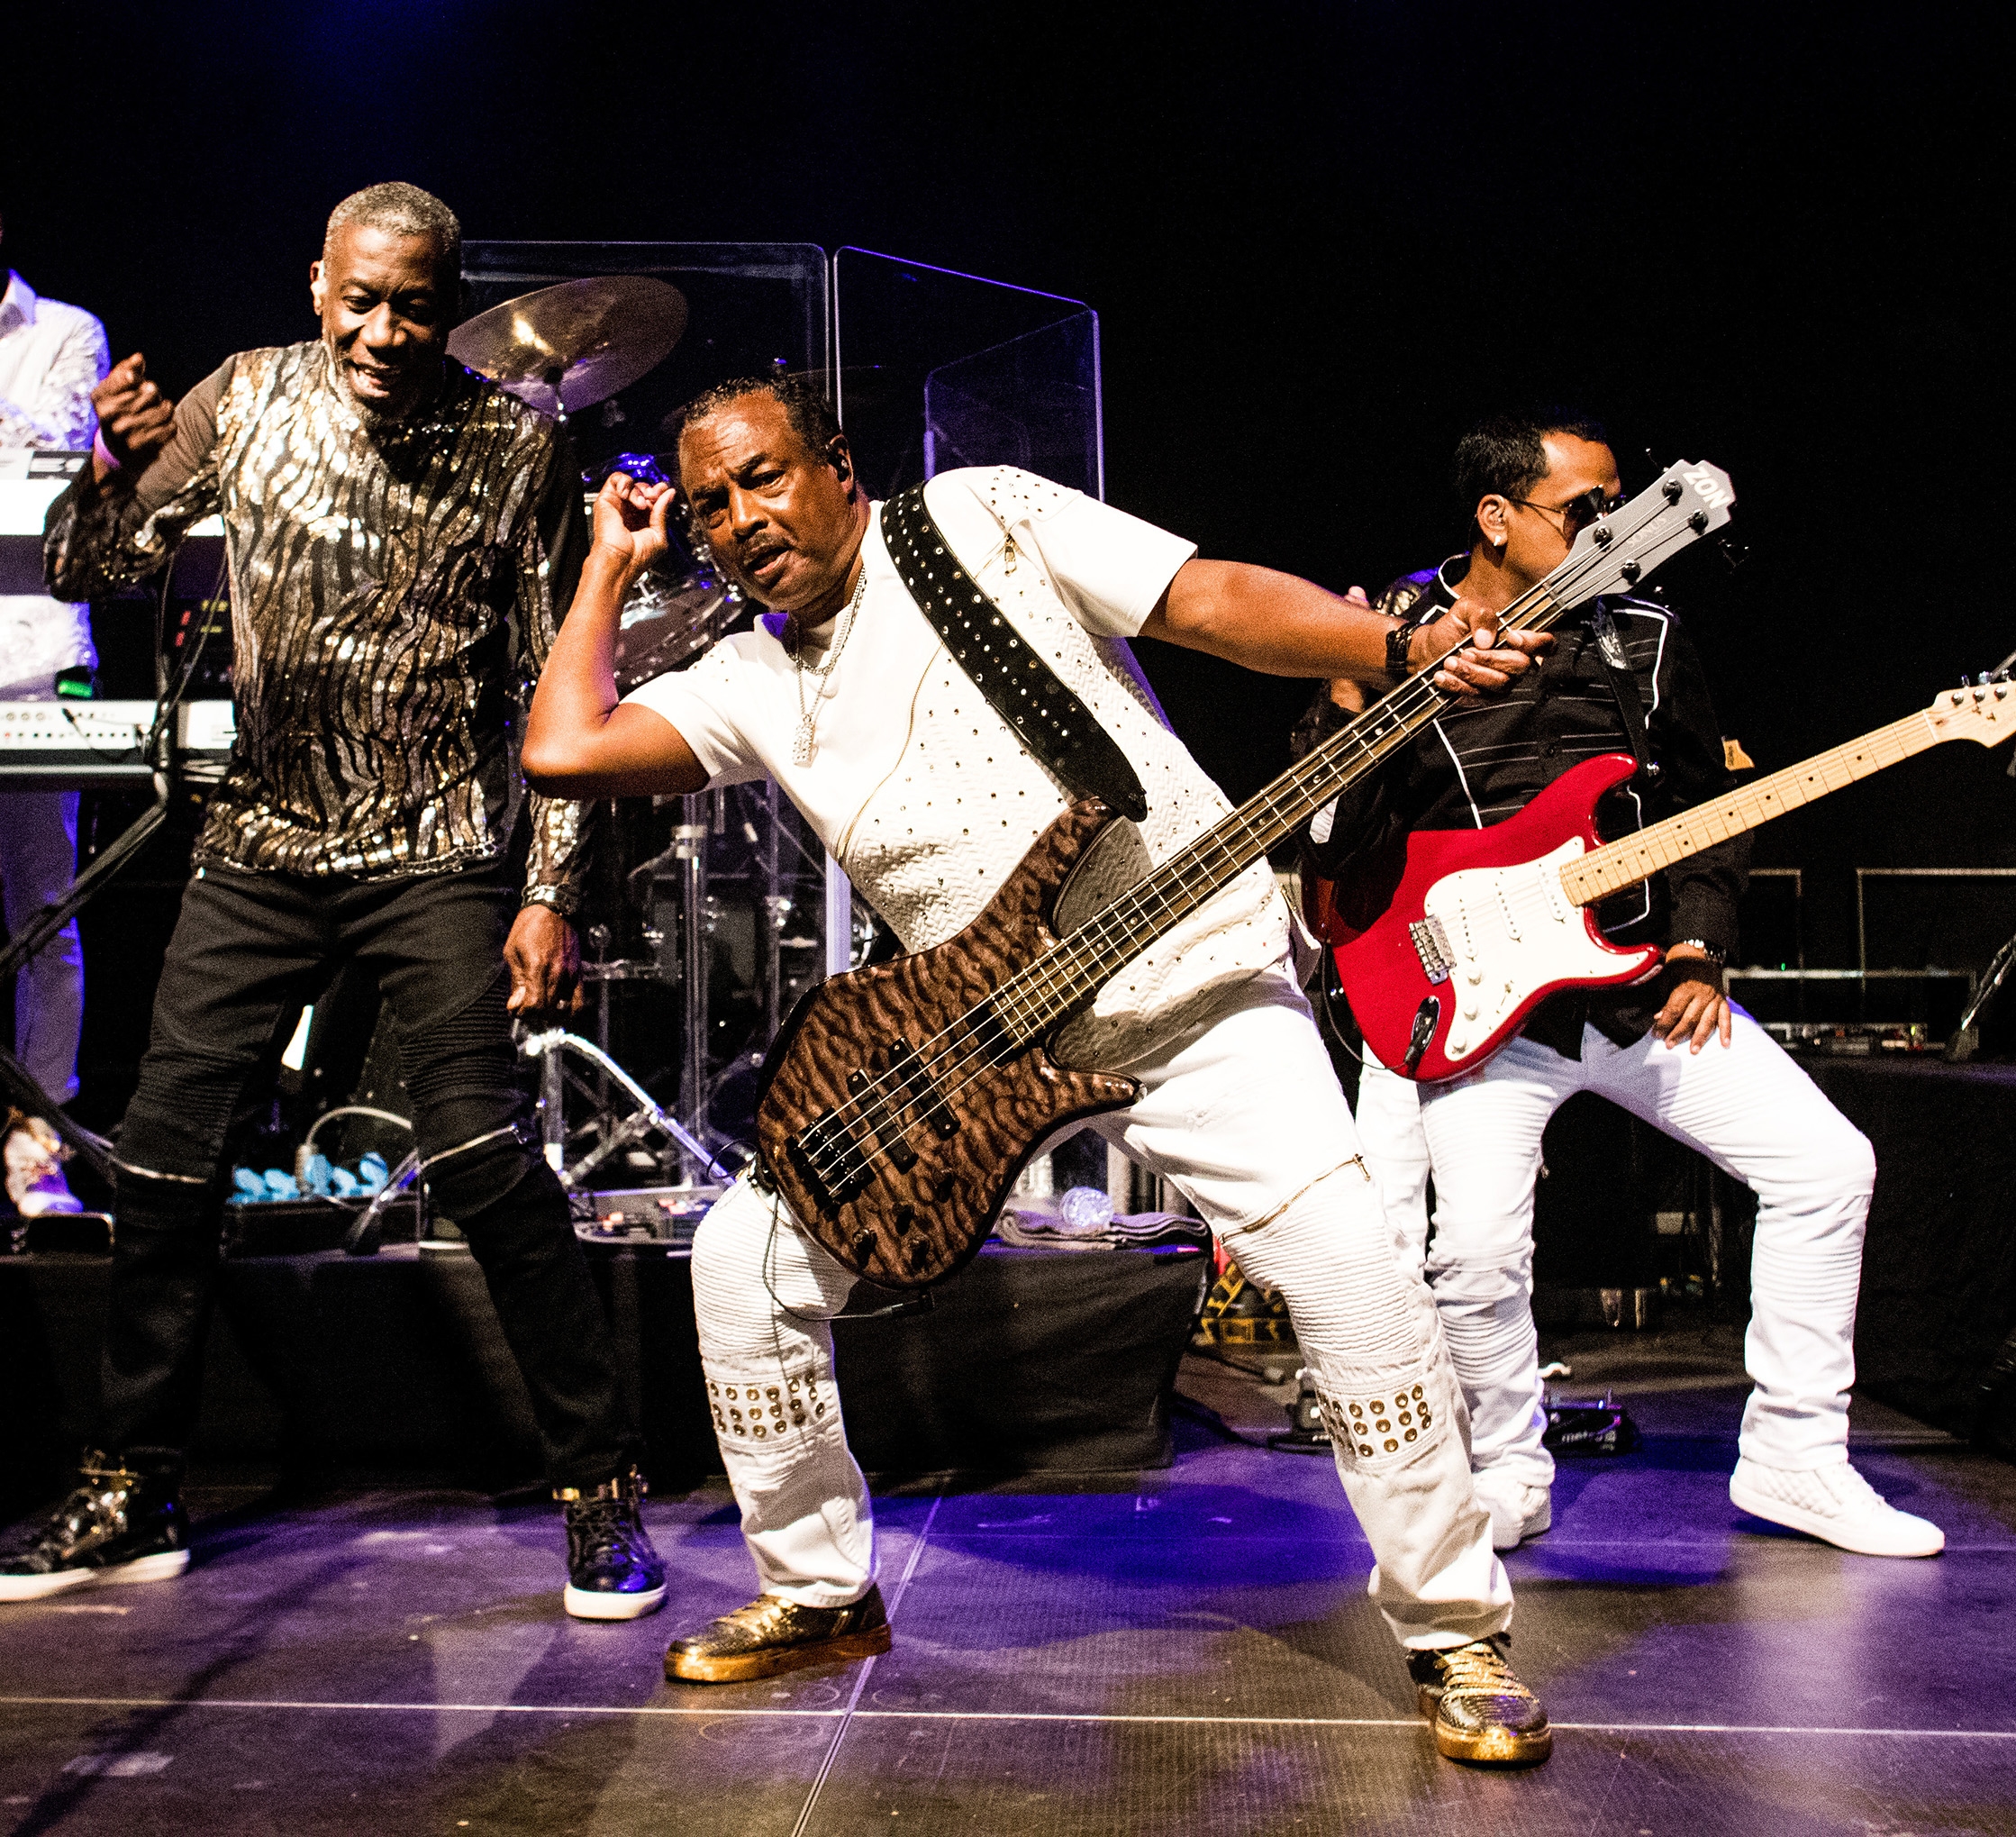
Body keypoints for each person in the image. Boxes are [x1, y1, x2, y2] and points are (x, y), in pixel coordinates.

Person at [522, 373, 1565, 1767]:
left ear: (838, 466)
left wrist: (1396, 641)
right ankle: (818, 1589)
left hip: (1189, 993)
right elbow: (564, 747)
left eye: (763, 476)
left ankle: (1455, 1633)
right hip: (984, 1047)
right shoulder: (750, 681)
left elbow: (1207, 600)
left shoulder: (980, 518)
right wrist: (606, 564)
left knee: (1353, 1277)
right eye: (711, 504)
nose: (740, 517)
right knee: (742, 1261)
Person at [0, 183, 666, 1620]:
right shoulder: (242, 397)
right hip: (264, 840)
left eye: (412, 306)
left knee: (486, 1161)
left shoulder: (516, 445)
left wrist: (549, 889)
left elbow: (564, 684)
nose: (381, 330)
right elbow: (84, 565)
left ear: (451, 305)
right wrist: (112, 470)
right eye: (359, 300)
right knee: (164, 1160)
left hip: (438, 842)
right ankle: (133, 1481)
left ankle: (599, 1483)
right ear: (318, 287)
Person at [1312, 409, 1942, 1560]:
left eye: (1619, 502)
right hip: (1477, 1006)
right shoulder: (1394, 628)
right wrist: (1349, 703)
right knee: (1475, 1254)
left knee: (1824, 1166)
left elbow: (1704, 802)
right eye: (1583, 509)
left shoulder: (1643, 634)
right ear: (1494, 516)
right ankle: (1506, 1470)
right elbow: (1332, 839)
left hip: (1634, 982)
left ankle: (1795, 1457)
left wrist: (1700, 942)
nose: (1615, 526)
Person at [0, 209, 108, 1215]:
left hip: (36, 658)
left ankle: (37, 1144)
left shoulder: (66, 331)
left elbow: (57, 473)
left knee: (44, 911)